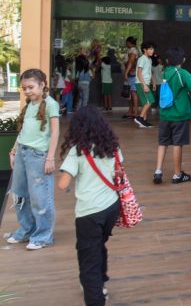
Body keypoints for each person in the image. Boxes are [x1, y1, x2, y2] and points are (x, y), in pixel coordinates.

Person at [57, 107, 122, 306]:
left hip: (89, 213)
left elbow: (63, 184)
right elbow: (117, 172)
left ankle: (96, 298)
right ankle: (101, 283)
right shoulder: (113, 146)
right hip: (111, 206)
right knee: (98, 245)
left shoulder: (77, 151)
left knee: (88, 261)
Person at [6, 69, 60, 250]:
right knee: (20, 193)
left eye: (31, 87)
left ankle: (43, 235)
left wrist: (50, 157)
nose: (27, 91)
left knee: (40, 197)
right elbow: (23, 131)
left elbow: (55, 132)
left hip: (38, 155)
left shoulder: (51, 104)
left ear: (42, 85)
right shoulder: (29, 105)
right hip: (22, 152)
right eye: (24, 88)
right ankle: (26, 229)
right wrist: (14, 150)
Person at [154, 47, 191, 185]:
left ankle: (158, 171)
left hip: (165, 114)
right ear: (183, 60)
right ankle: (177, 174)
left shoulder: (165, 72)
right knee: (177, 143)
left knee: (163, 142)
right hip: (179, 114)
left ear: (167, 60)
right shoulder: (182, 73)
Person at [134, 42, 156, 128]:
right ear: (144, 50)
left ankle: (143, 122)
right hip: (141, 83)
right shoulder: (142, 59)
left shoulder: (149, 59)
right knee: (149, 101)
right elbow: (139, 73)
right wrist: (144, 85)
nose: (152, 51)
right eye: (150, 49)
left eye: (153, 49)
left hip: (146, 83)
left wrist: (153, 82)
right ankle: (139, 118)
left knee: (145, 103)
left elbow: (149, 72)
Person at [122, 37, 139, 120]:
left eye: (126, 42)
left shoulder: (133, 51)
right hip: (130, 74)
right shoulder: (131, 50)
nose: (126, 44)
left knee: (133, 93)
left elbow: (131, 61)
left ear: (129, 42)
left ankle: (135, 112)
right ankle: (131, 111)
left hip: (132, 74)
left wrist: (126, 72)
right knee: (129, 93)